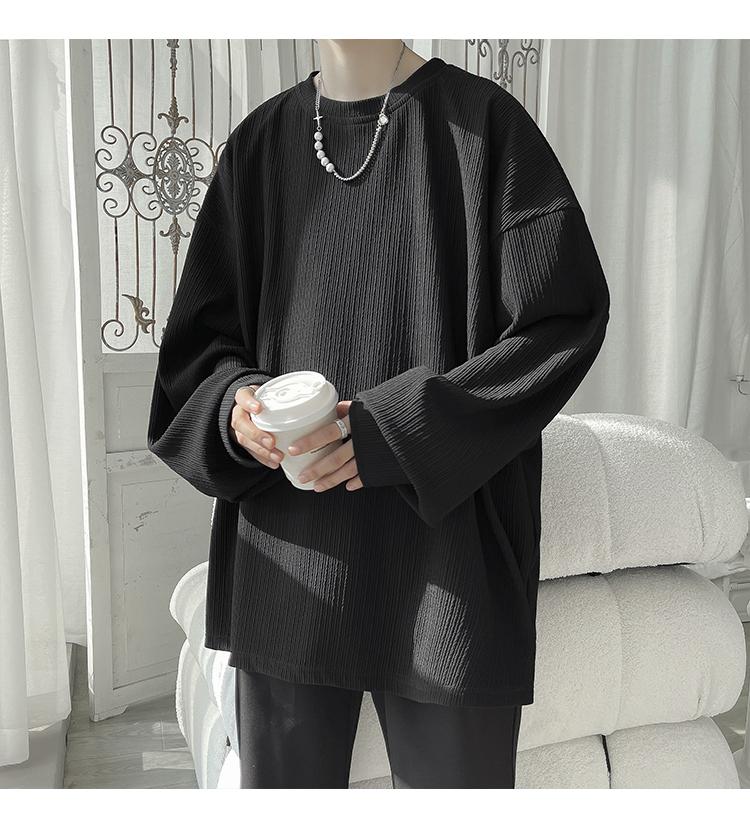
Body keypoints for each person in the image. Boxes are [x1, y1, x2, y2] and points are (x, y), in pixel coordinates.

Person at [147, 39, 610, 788]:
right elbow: (197, 352)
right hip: (288, 558)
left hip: (446, 566)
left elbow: (561, 321)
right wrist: (239, 408)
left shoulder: (486, 127)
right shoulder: (258, 147)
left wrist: (396, 429)